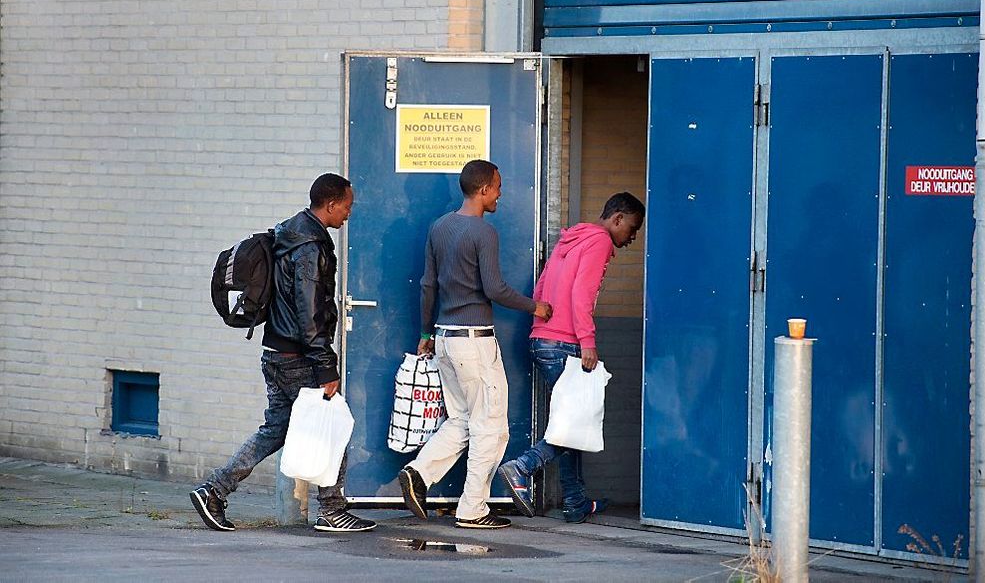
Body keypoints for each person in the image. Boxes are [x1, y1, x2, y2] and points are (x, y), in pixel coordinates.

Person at [190, 174, 376, 533]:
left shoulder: (287, 233)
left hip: (275, 350)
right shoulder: (310, 247)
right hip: (298, 357)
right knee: (333, 426)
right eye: (348, 206)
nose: (349, 214)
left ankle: (213, 490)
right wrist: (326, 365)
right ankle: (333, 509)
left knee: (276, 429)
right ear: (332, 204)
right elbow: (309, 311)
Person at [397, 160, 553, 530]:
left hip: (445, 340)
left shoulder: (440, 227)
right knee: (492, 428)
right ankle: (473, 509)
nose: (500, 194)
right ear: (483, 190)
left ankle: (418, 473)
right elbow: (494, 289)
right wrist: (537, 307)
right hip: (475, 342)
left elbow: (427, 285)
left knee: (463, 420)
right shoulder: (483, 232)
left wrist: (425, 335)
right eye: (498, 187)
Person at [497, 192, 645, 523]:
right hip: (564, 343)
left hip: (542, 338)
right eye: (632, 229)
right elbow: (582, 294)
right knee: (574, 423)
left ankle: (575, 500)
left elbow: (541, 288)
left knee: (571, 419)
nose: (632, 238)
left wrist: (541, 325)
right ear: (617, 219)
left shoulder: (572, 238)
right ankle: (522, 467)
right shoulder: (600, 242)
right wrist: (587, 342)